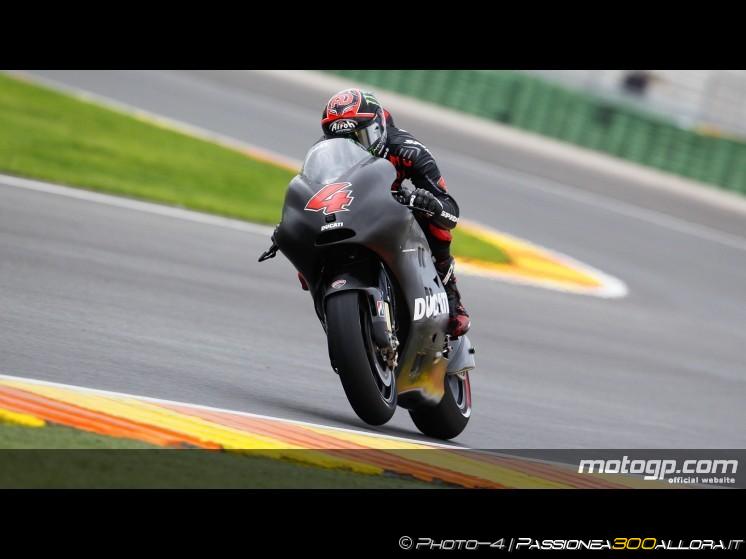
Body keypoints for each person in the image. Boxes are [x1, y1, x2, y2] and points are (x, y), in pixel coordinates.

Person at [319, 88, 470, 337]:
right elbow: (312, 192)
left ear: (378, 128)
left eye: (360, 138)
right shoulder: (326, 154)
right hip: (350, 210)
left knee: (435, 223)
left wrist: (430, 204)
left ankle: (451, 295)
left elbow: (451, 211)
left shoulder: (407, 149)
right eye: (343, 140)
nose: (354, 147)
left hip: (393, 206)